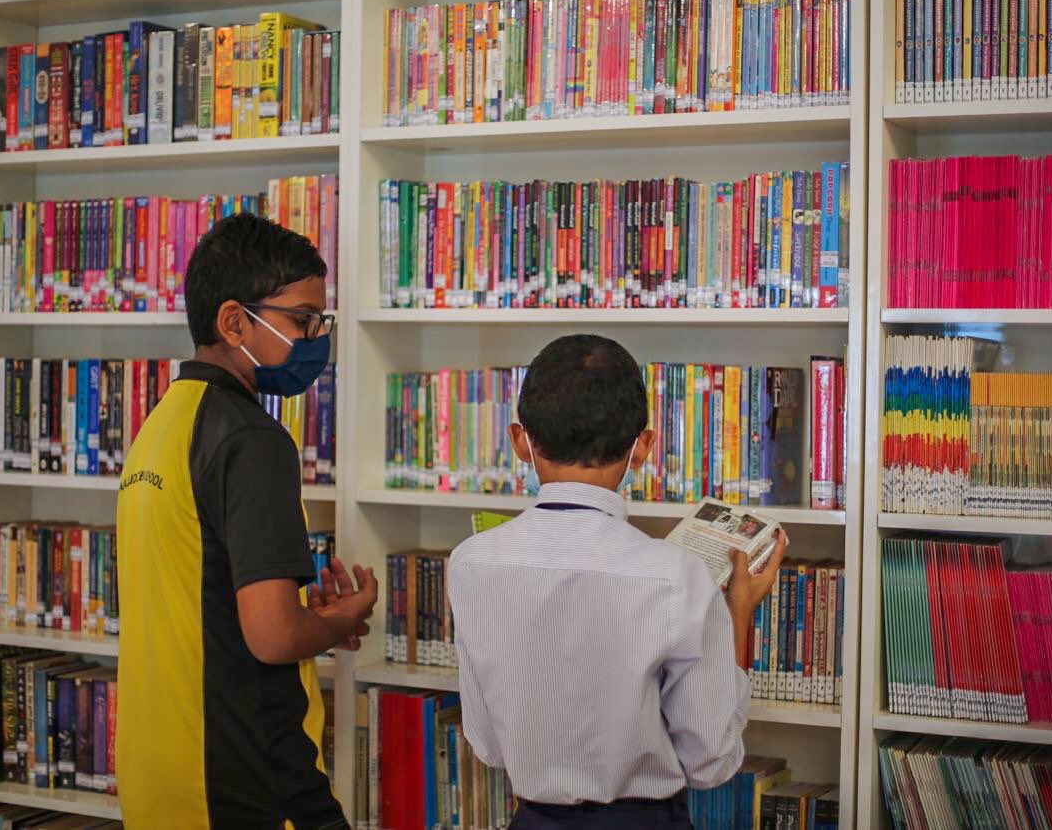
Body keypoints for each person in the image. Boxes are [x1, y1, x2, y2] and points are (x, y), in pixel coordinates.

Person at [447, 334, 786, 829]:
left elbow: (490, 746)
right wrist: (737, 613)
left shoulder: (470, 562)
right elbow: (710, 762)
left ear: (520, 440)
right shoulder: (677, 576)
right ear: (643, 447)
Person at [115, 213, 377, 829]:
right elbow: (273, 637)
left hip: (160, 772)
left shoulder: (161, 426)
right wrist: (339, 618)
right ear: (235, 321)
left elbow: (206, 603)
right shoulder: (253, 441)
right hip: (244, 776)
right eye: (303, 320)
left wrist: (313, 622)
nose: (317, 338)